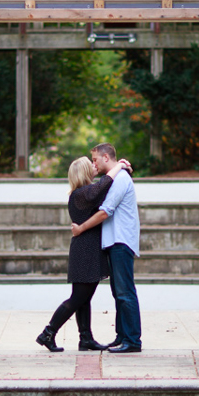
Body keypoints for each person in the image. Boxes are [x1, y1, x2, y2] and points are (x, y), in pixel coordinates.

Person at [36, 155, 129, 353]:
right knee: (78, 298)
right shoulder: (83, 194)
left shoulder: (82, 194)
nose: (95, 166)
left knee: (83, 297)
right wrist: (119, 165)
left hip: (86, 249)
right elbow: (106, 182)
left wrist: (121, 167)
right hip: (86, 251)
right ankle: (48, 333)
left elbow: (106, 188)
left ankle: (85, 338)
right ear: (85, 172)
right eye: (91, 165)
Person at [72, 143, 142, 353]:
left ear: (105, 157)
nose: (93, 164)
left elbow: (105, 211)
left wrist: (81, 228)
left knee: (125, 292)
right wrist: (122, 166)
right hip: (113, 242)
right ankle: (122, 336)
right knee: (118, 293)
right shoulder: (115, 177)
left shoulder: (120, 179)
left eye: (94, 160)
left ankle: (132, 340)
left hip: (121, 241)